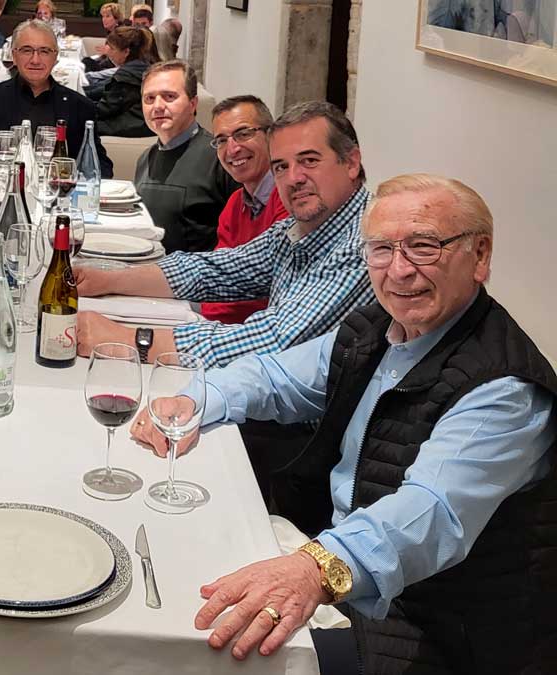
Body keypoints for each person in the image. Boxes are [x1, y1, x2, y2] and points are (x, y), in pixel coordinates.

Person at [136, 174, 557, 674]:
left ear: (480, 256)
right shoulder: (379, 330)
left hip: (434, 627)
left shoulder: (503, 389)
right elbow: (275, 377)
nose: (399, 271)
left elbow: (431, 515)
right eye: (381, 249)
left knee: (202, 652)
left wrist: (313, 569)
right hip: (349, 571)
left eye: (423, 246)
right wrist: (195, 398)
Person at [75, 100, 373, 369]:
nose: (294, 178)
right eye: (281, 166)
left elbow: (272, 343)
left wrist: (130, 340)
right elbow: (216, 270)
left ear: (351, 162)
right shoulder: (298, 231)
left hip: (304, 425)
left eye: (309, 161)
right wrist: (107, 278)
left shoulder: (365, 243)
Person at [0, 20, 114, 176]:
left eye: (44, 51)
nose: (35, 60)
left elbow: (99, 164)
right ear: (14, 55)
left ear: (55, 57)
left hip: (58, 199)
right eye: (27, 50)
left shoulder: (80, 106)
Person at [131, 60, 238, 252]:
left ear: (193, 103)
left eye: (169, 96)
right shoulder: (145, 159)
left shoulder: (220, 158)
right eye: (149, 98)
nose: (157, 106)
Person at [199, 95, 288, 325]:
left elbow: (265, 285)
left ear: (271, 136)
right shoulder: (235, 203)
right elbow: (219, 277)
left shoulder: (289, 199)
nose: (232, 149)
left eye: (243, 134)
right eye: (221, 140)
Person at [89, 26, 158, 137]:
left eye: (112, 49)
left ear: (126, 51)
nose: (109, 53)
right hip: (140, 122)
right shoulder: (143, 66)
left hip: (133, 125)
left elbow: (104, 110)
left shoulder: (126, 75)